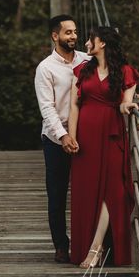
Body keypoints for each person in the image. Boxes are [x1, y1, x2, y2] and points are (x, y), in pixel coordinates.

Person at [68, 26, 139, 268]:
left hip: (111, 134)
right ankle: (86, 246)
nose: (86, 44)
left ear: (103, 43)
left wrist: (127, 107)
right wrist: (71, 136)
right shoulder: (82, 70)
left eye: (90, 39)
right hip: (85, 137)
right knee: (86, 192)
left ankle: (95, 248)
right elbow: (74, 106)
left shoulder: (125, 71)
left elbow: (125, 102)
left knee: (114, 191)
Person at [34, 15, 89, 263]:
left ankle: (88, 243)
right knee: (56, 195)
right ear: (55, 36)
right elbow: (47, 108)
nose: (73, 37)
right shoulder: (45, 68)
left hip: (86, 136)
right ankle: (60, 245)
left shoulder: (87, 60)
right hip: (56, 140)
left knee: (88, 192)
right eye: (68, 32)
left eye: (75, 32)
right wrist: (63, 135)